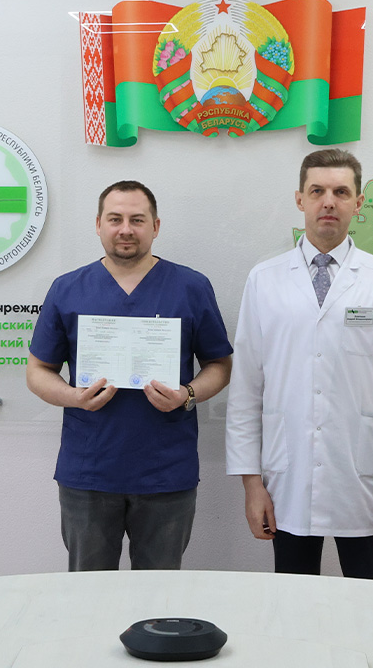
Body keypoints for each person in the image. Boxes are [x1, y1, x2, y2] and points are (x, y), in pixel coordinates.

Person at [226, 149, 373, 581]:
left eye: (341, 192)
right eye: (317, 191)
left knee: (369, 603)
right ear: (299, 199)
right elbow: (246, 389)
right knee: (292, 604)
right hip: (287, 478)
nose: (328, 202)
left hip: (363, 481)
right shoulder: (264, 280)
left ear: (358, 203)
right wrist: (251, 482)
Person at [27, 180, 232, 571]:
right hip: (88, 472)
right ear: (98, 225)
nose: (126, 229)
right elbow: (38, 371)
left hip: (165, 474)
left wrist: (188, 394)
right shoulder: (67, 289)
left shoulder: (191, 287)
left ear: (155, 226)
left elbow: (220, 365)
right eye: (115, 219)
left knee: (158, 595)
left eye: (137, 220)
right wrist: (73, 397)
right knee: (88, 592)